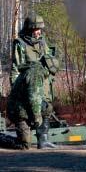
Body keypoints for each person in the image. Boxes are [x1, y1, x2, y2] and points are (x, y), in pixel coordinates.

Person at [7, 14, 59, 149]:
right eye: (36, 29)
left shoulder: (42, 42)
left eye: (40, 29)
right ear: (29, 29)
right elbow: (15, 68)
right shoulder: (20, 44)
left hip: (43, 83)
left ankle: (43, 140)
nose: (38, 32)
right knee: (25, 143)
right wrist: (16, 89)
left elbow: (48, 61)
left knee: (46, 107)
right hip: (26, 84)